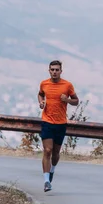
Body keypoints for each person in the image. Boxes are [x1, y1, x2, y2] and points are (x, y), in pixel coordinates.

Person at [37, 60, 79, 192]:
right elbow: (40, 94)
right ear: (49, 70)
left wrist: (67, 100)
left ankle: (52, 171)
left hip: (61, 123)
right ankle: (46, 181)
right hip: (47, 121)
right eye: (52, 69)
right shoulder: (44, 83)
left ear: (61, 71)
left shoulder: (67, 85)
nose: (54, 72)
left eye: (57, 70)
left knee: (55, 153)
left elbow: (76, 101)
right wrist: (41, 102)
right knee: (47, 151)